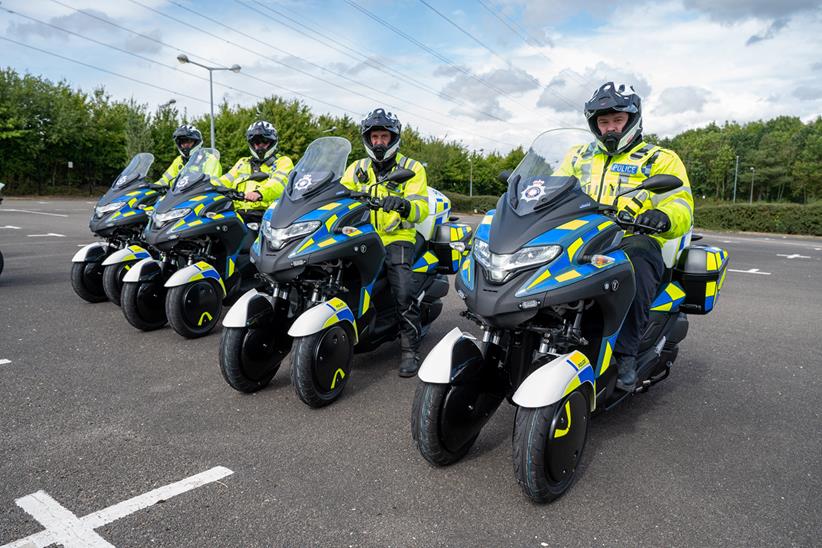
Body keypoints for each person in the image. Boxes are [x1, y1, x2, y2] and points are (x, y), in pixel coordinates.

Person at [556, 82, 694, 390]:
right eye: (603, 122)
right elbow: (553, 190)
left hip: (634, 236)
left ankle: (626, 353)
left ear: (632, 120)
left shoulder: (659, 159)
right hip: (582, 234)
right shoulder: (577, 156)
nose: (610, 128)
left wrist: (663, 216)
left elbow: (680, 202)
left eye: (616, 121)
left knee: (637, 262)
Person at [340, 108, 429, 377]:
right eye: (375, 136)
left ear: (394, 139)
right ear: (367, 139)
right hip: (361, 235)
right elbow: (340, 195)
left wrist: (402, 204)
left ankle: (409, 350)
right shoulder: (356, 168)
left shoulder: (412, 168)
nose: (379, 141)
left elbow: (420, 207)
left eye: (384, 136)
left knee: (403, 291)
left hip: (396, 237)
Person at [217, 121, 294, 224]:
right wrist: (210, 186)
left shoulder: (282, 161)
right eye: (257, 143)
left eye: (264, 142)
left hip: (267, 216)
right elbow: (225, 180)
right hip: (237, 214)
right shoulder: (243, 162)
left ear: (272, 142)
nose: (260, 146)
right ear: (252, 144)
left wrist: (259, 193)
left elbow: (279, 183)